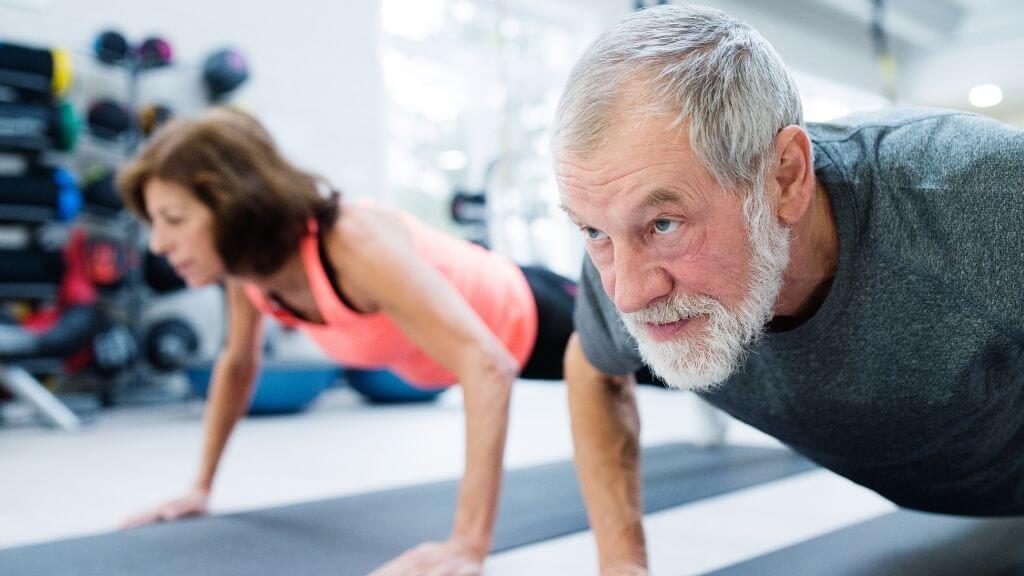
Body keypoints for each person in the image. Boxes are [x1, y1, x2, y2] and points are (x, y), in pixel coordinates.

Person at [554, 4, 1024, 574]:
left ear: (784, 178)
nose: (626, 292)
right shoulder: (625, 255)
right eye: (594, 232)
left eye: (665, 224)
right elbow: (592, 368)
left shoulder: (976, 193)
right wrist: (620, 562)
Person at [115, 107, 576, 576]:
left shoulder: (352, 245)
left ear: (232, 205)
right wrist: (200, 486)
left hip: (536, 314)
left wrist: (468, 544)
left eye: (172, 219)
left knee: (651, 370)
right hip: (485, 349)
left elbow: (487, 365)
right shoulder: (247, 269)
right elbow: (237, 362)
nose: (157, 244)